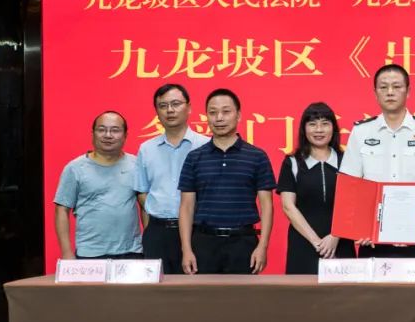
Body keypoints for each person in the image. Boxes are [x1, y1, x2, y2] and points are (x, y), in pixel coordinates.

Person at [340, 64, 415, 265]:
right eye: (383, 87)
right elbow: (350, 184)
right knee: (372, 286)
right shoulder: (361, 132)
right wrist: (360, 225)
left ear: (408, 91)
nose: (390, 92)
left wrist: (414, 220)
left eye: (396, 86)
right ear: (375, 93)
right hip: (371, 234)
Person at [178, 89, 276, 275]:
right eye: (213, 112)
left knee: (243, 294)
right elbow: (186, 207)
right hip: (203, 243)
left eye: (226, 111)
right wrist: (186, 249)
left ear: (238, 115)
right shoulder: (194, 157)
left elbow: (267, 206)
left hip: (244, 243)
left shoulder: (257, 156)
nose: (219, 118)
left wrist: (262, 246)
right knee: (201, 294)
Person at [133, 84, 210, 274]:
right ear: (157, 112)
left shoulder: (206, 146)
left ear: (189, 108)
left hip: (197, 231)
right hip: (158, 233)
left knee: (196, 287)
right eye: (163, 105)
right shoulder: (147, 149)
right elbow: (142, 191)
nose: (170, 110)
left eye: (175, 104)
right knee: (157, 288)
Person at [277, 102, 356, 274]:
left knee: (344, 291)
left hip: (341, 243)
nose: (319, 130)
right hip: (304, 244)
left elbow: (353, 203)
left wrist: (335, 236)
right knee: (303, 291)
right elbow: (288, 206)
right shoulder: (292, 162)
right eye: (312, 124)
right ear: (304, 129)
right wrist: (317, 242)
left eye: (325, 124)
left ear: (333, 128)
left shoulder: (348, 161)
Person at [53, 111, 143, 260]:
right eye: (102, 130)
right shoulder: (75, 168)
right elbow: (61, 210)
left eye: (115, 130)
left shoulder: (136, 165)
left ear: (125, 135)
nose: (108, 135)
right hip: (90, 253)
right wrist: (66, 252)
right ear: (92, 133)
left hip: (131, 251)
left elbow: (145, 207)